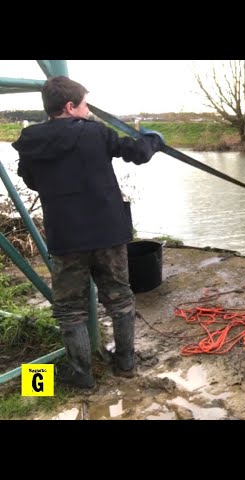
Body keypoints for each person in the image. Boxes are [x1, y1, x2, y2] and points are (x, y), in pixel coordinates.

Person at [12, 76, 165, 389]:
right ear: (70, 106)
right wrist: (153, 139)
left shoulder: (30, 141)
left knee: (69, 309)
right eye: (84, 105)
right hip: (108, 233)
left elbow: (30, 180)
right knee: (120, 298)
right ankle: (125, 363)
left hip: (67, 239)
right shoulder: (95, 133)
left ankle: (81, 376)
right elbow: (137, 152)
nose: (87, 111)